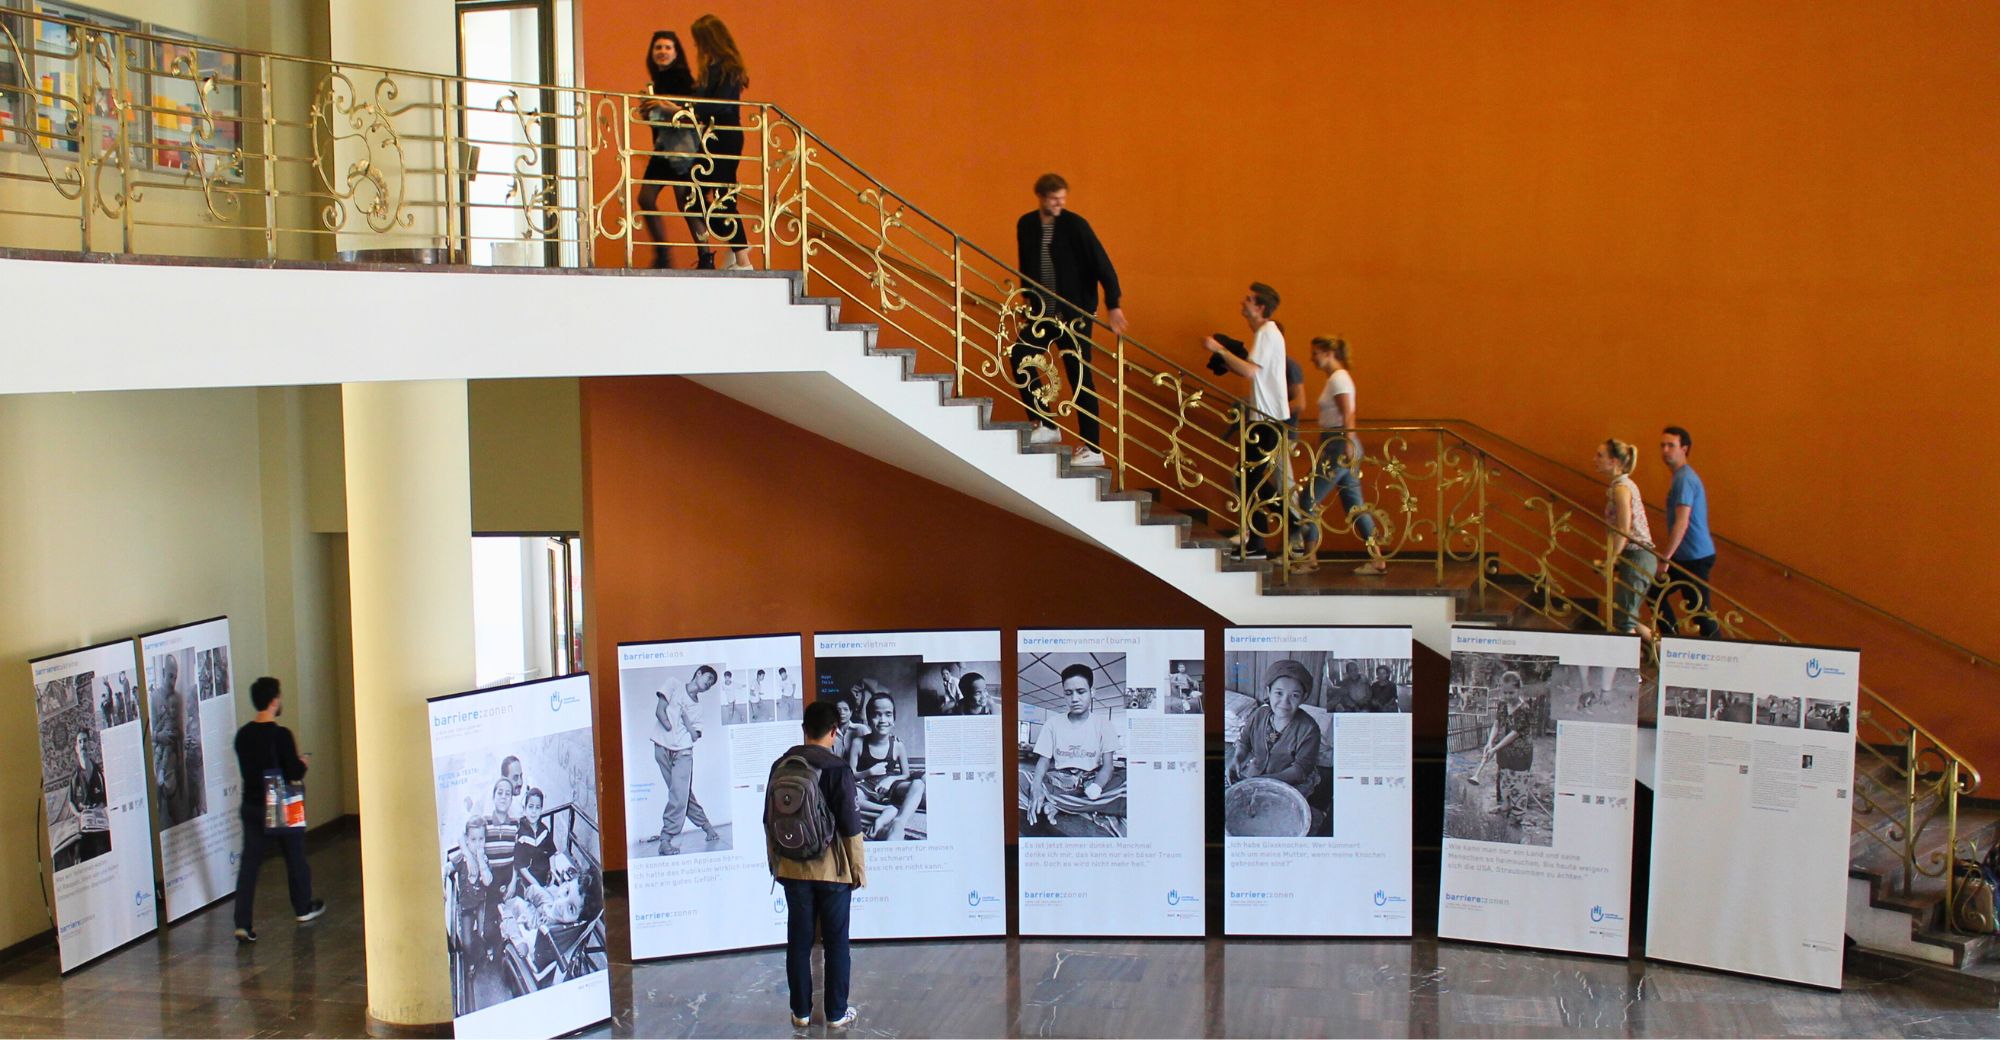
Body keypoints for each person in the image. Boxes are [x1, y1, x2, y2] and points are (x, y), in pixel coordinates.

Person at [1012, 173, 1128, 467]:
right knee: (1020, 355)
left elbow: (1103, 264)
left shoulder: (1075, 225)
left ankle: (1093, 448)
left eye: (1063, 198)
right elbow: (1025, 266)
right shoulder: (1027, 224)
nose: (1060, 204)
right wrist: (1027, 300)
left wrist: (1113, 304)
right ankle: (1046, 424)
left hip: (1073, 316)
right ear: (1041, 197)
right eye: (1054, 199)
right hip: (1042, 313)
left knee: (1079, 376)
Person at [768, 701, 866, 1030]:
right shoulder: (837, 768)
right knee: (837, 941)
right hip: (832, 871)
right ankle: (836, 1013)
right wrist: (857, 870)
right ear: (835, 732)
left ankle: (800, 1012)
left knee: (798, 940)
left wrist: (776, 865)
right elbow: (851, 825)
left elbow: (768, 821)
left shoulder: (781, 765)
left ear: (804, 729)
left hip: (792, 869)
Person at [231, 677, 325, 943]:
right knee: (295, 856)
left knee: (249, 865)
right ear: (274, 701)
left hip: (251, 803)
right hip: (282, 798)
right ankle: (303, 907)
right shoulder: (281, 735)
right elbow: (293, 772)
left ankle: (243, 922)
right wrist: (303, 762)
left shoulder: (243, 735)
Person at [1203, 283, 1290, 559]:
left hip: (1266, 420)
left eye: (1249, 299)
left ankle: (1288, 522)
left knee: (1246, 478)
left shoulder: (1267, 332)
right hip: (1264, 419)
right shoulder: (1267, 334)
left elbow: (1250, 372)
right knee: (1246, 478)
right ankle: (1259, 541)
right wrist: (1227, 360)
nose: (1244, 302)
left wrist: (1218, 350)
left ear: (1260, 308)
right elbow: (1252, 371)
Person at [1296, 336, 1388, 574]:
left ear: (1328, 353)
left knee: (1307, 499)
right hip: (1337, 443)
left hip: (1339, 445)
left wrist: (1347, 442)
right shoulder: (1336, 379)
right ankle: (1377, 558)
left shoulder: (1338, 379)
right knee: (1354, 507)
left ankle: (1309, 557)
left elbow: (1348, 413)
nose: (1312, 358)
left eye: (1315, 353)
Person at [688, 15, 752, 271]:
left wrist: (688, 105)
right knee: (704, 196)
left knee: (721, 197)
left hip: (725, 135)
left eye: (700, 42)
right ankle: (740, 253)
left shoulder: (726, 67)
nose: (698, 48)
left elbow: (720, 104)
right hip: (713, 136)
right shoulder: (714, 67)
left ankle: (743, 259)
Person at [1024, 664, 1118, 826]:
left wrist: (1097, 786)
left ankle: (1058, 804)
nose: (1074, 699)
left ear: (1092, 692)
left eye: (1081, 692)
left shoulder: (1104, 724)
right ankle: (1071, 804)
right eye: (1068, 693)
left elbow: (1108, 766)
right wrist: (1036, 787)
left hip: (1091, 780)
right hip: (1060, 781)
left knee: (1126, 783)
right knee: (1020, 777)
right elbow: (1043, 761)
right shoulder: (1052, 724)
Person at [635, 30, 697, 269]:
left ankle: (700, 255)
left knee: (685, 203)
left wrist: (659, 107)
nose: (662, 51)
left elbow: (689, 113)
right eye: (658, 47)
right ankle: (663, 253)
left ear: (676, 52)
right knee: (648, 197)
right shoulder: (658, 80)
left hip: (681, 149)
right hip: (663, 148)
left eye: (667, 47)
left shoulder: (681, 77)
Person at [1231, 660, 1322, 812]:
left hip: (1291, 781)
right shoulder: (1259, 714)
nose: (1284, 702)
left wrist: (1264, 782)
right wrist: (1237, 758)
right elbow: (1244, 742)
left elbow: (1299, 770)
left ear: (1304, 697)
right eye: (1279, 693)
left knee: (1276, 814)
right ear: (1268, 691)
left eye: (1294, 695)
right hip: (1257, 772)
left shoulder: (1310, 730)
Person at [1655, 425, 1719, 637]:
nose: (1665, 450)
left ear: (1685, 448)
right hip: (1686, 556)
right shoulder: (1681, 477)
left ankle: (1720, 654)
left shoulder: (1684, 479)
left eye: (1671, 445)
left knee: (1699, 611)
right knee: (1655, 592)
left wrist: (1665, 559)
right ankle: (1671, 642)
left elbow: (1681, 522)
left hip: (1694, 556)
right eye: (1663, 445)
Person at [654, 665, 723, 854]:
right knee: (682, 795)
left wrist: (684, 717)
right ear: (698, 673)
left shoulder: (698, 707)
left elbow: (694, 735)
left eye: (712, 683)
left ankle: (666, 839)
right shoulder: (673, 684)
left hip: (683, 751)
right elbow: (660, 712)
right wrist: (670, 727)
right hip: (661, 747)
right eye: (708, 678)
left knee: (678, 795)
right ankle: (707, 827)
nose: (709, 684)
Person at [1594, 437, 1657, 636]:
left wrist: (1611, 560)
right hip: (1636, 556)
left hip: (1637, 555)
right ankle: (1660, 649)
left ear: (1614, 462)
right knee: (1624, 613)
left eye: (1600, 455)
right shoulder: (1622, 486)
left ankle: (1630, 663)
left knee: (1624, 619)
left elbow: (1624, 528)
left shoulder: (1621, 489)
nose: (1595, 459)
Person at [848, 693, 925, 840]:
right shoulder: (858, 743)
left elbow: (906, 774)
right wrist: (869, 771)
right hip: (867, 784)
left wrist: (889, 780)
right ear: (869, 720)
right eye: (876, 715)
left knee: (918, 784)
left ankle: (899, 820)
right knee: (850, 795)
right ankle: (886, 811)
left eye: (888, 714)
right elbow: (851, 774)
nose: (883, 720)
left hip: (891, 786)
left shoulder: (897, 745)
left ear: (894, 719)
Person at [513, 787, 555, 891]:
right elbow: (521, 865)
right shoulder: (521, 834)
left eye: (537, 807)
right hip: (529, 881)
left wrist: (553, 872)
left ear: (541, 809)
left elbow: (552, 852)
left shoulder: (544, 830)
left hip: (546, 877)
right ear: (525, 809)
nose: (534, 812)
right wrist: (536, 885)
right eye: (531, 807)